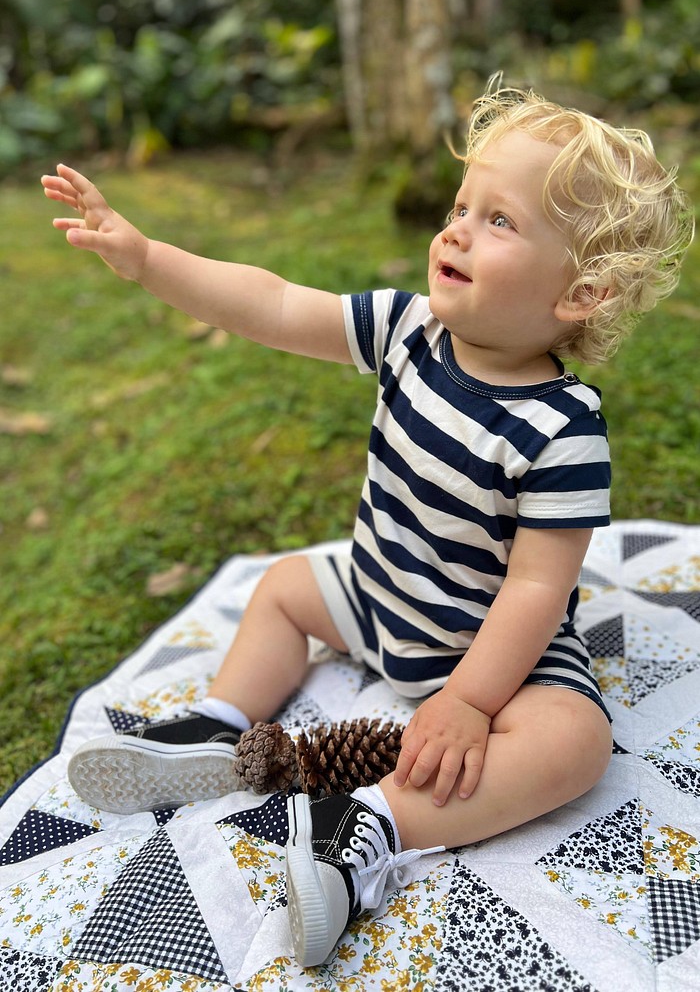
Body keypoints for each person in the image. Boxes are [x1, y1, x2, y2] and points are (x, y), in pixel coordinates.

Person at [42, 81, 693, 968]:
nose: (456, 229)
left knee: (576, 743)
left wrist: (469, 700)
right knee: (281, 591)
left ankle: (370, 824)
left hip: (492, 649)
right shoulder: (408, 329)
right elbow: (272, 303)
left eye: (499, 221)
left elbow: (541, 586)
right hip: (377, 596)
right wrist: (149, 256)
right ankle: (217, 724)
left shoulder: (563, 428)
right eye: (462, 206)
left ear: (580, 293)